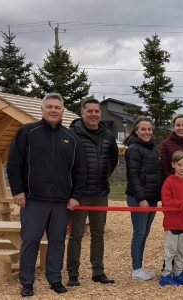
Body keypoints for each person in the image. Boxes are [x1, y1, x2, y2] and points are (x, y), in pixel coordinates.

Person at [6, 93, 85, 297]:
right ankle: (27, 282)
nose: (53, 110)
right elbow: (14, 164)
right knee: (30, 241)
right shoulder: (28, 132)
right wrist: (18, 191)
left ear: (62, 111)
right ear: (42, 109)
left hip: (61, 202)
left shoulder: (71, 138)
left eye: (57, 107)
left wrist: (76, 196)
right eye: (49, 106)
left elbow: (80, 170)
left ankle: (55, 279)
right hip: (33, 200)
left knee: (57, 242)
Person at [66, 98, 118, 286]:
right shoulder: (72, 134)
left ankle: (98, 271)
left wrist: (103, 175)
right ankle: (73, 274)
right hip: (79, 194)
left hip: (101, 192)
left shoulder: (108, 135)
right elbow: (67, 163)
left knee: (98, 234)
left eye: (97, 111)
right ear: (82, 113)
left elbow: (113, 160)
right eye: (90, 111)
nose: (94, 114)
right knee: (76, 235)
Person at [124, 117, 163, 281]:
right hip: (139, 198)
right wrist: (141, 198)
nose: (147, 132)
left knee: (145, 233)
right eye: (143, 129)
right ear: (136, 131)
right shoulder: (133, 149)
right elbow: (133, 175)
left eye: (149, 129)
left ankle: (140, 267)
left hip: (151, 197)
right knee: (139, 233)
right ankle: (136, 269)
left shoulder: (151, 149)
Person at [158, 150, 183, 286]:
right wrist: (182, 204)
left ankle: (179, 273)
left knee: (182, 251)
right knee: (170, 251)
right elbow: (166, 201)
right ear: (173, 165)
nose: (182, 168)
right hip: (172, 223)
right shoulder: (168, 182)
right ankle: (166, 275)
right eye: (179, 164)